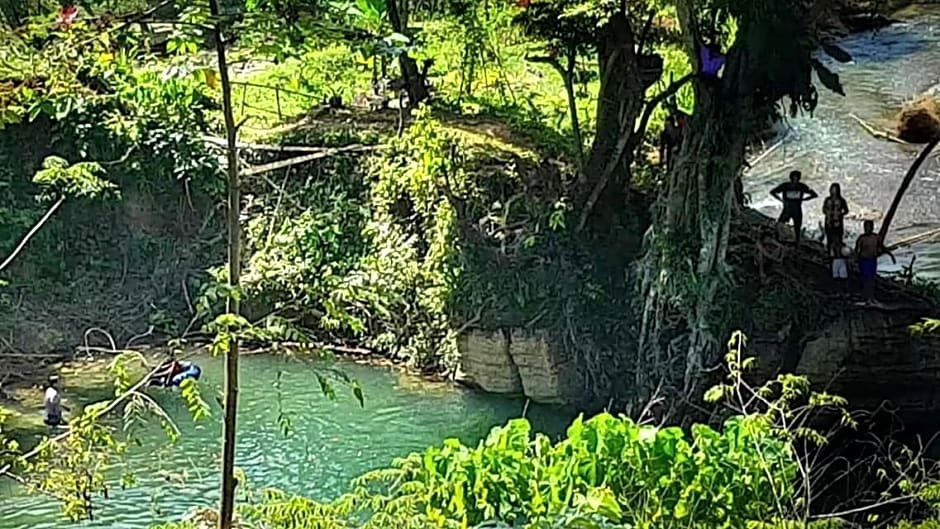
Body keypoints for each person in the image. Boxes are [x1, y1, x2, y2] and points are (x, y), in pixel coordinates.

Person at [770, 170, 818, 245]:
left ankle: (797, 242)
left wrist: (804, 199)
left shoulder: (801, 186)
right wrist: (780, 199)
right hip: (787, 209)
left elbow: (814, 195)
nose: (795, 181)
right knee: (779, 225)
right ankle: (778, 239)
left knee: (797, 228)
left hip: (796, 209)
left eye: (796, 178)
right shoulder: (786, 186)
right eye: (793, 178)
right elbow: (773, 192)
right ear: (790, 178)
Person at [855, 220, 883, 304]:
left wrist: (881, 252)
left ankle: (871, 297)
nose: (867, 229)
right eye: (865, 227)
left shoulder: (876, 237)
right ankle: (865, 298)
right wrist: (856, 259)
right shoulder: (861, 238)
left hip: (872, 260)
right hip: (864, 260)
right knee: (865, 279)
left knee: (871, 279)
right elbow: (857, 250)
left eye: (868, 227)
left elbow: (881, 246)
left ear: (872, 228)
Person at [823, 183, 849, 256]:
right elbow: (823, 209)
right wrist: (828, 213)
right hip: (828, 222)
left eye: (835, 190)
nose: (833, 191)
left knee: (838, 240)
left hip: (838, 222)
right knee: (829, 239)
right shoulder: (827, 199)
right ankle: (829, 255)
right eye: (832, 189)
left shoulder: (841, 200)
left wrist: (839, 214)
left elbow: (846, 210)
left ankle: (837, 255)